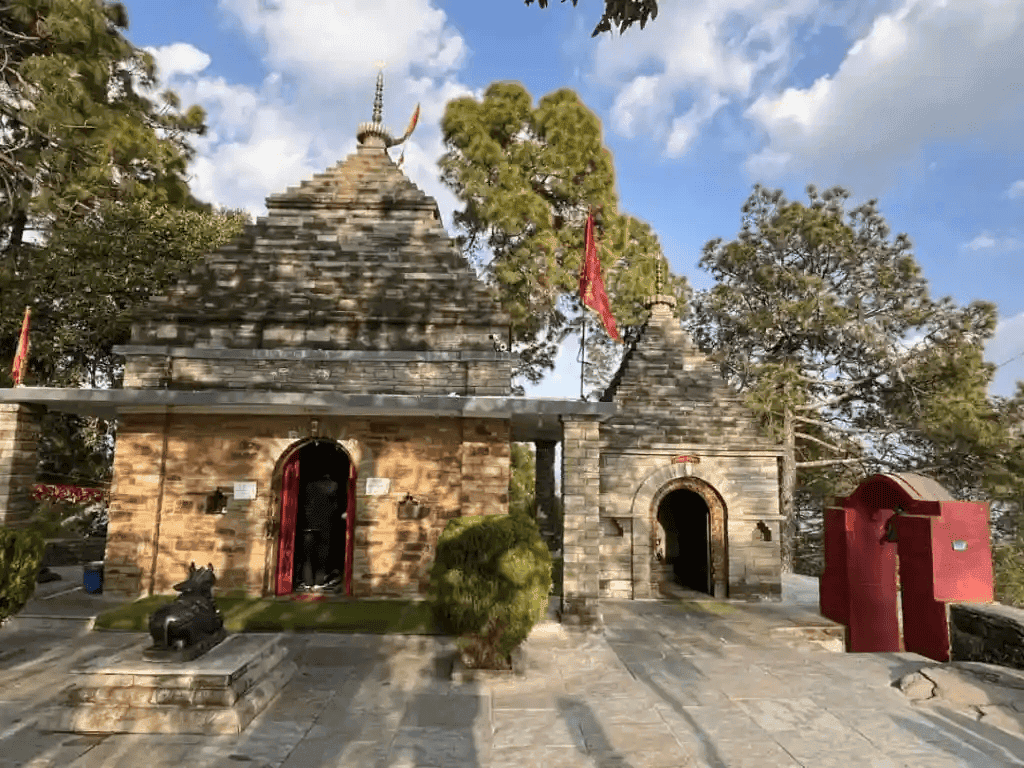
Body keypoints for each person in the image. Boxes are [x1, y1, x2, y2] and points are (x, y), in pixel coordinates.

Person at [299, 472, 339, 588]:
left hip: (309, 526)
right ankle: (319, 581)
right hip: (325, 525)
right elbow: (336, 507)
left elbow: (304, 504)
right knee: (322, 556)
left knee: (307, 556)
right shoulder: (333, 485)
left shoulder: (309, 486)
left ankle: (308, 582)